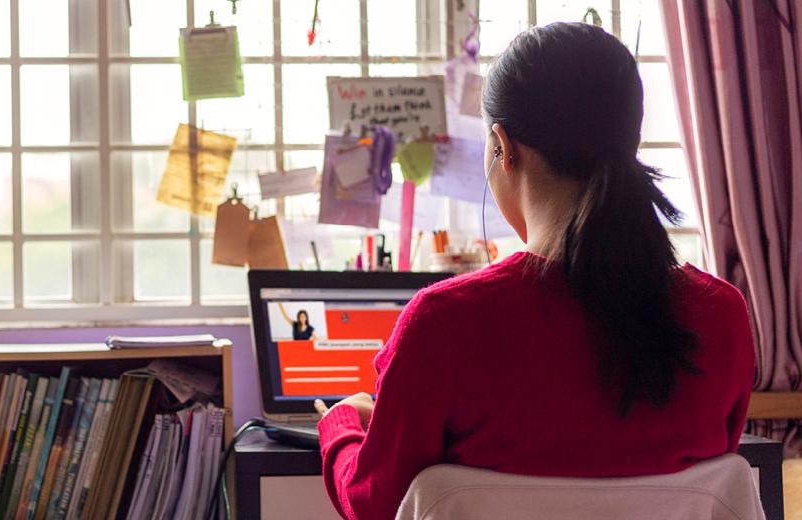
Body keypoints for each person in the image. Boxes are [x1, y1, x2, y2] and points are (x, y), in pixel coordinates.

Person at [314, 22, 755, 520]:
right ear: (630, 139)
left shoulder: (443, 324)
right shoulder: (720, 315)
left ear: (503, 146)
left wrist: (343, 426)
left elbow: (375, 505)